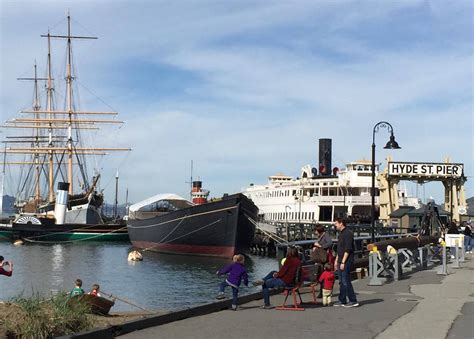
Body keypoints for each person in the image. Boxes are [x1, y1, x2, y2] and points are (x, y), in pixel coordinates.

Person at [334, 218, 358, 307]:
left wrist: (343, 262)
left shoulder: (348, 233)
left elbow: (348, 249)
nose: (335, 225)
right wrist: (337, 260)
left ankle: (353, 300)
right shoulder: (341, 234)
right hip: (341, 259)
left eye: (336, 223)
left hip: (346, 260)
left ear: (341, 223)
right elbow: (340, 249)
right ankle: (342, 299)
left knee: (346, 280)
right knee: (341, 281)